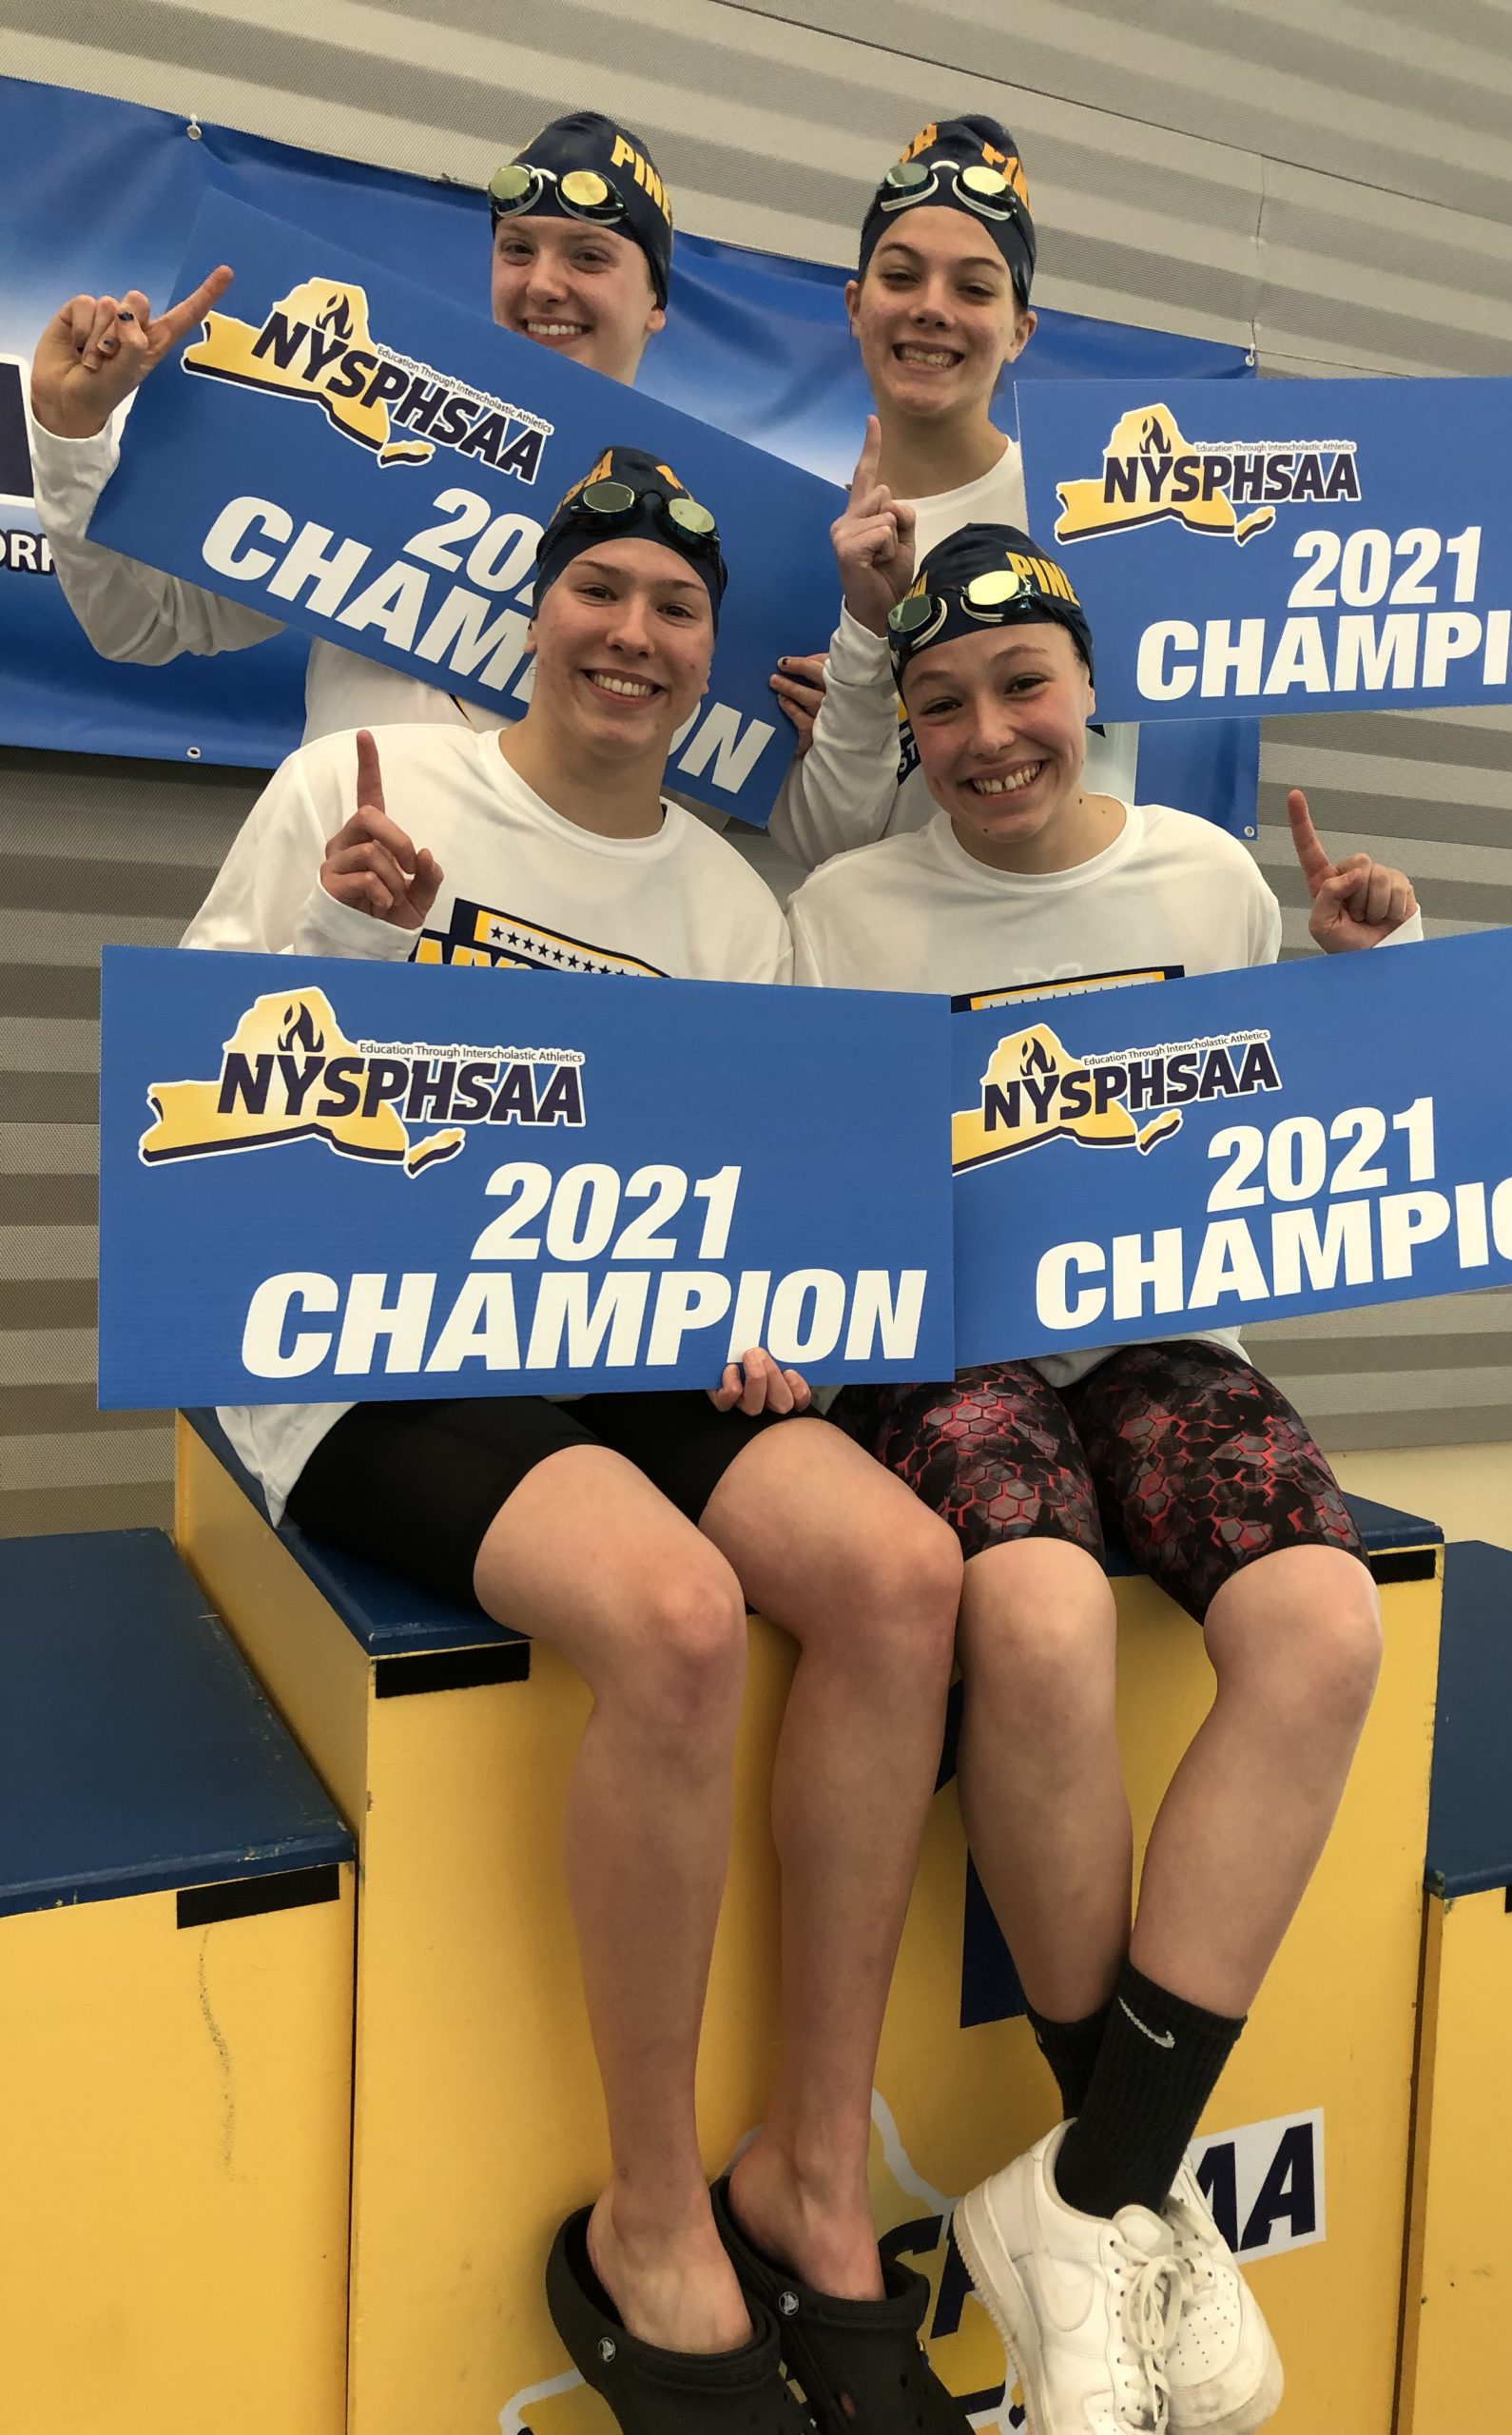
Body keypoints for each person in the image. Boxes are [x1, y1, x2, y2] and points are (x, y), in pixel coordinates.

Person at [184, 447, 969, 2435]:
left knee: (902, 1573)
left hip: (627, 1339)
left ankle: (807, 2167)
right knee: (677, 1614)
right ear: (532, 611)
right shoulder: (356, 797)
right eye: (598, 589)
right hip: (372, 1351)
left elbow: (771, 1194)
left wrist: (775, 1315)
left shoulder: (727, 889)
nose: (633, 631)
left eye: (677, 607)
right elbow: (195, 1119)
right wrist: (353, 957)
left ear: (716, 652)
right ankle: (647, 2213)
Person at [788, 523, 1428, 2435]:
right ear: (903, 724)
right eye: (944, 703)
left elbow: (1316, 1120)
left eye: (1024, 687)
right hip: (950, 1343)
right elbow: (811, 1178)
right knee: (1038, 1610)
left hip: (1167, 1339)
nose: (991, 734)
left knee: (1324, 1623)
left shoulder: (1206, 871)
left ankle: (1079, 2189)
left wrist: (1373, 972)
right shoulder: (847, 910)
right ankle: (1130, 2195)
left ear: (1091, 688)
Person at [763, 111, 1512, 890]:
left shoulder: (1107, 503)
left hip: (1071, 961)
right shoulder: (778, 528)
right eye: (900, 275)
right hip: (878, 969)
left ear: (1021, 329)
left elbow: (1406, 570)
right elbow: (823, 853)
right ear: (853, 303)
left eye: (974, 286)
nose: (931, 306)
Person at [27, 109, 684, 744]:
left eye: (588, 257)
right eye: (516, 249)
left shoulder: (695, 527)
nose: (541, 284)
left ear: (655, 301)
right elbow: (140, 624)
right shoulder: (366, 443)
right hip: (338, 853)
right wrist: (73, 432)